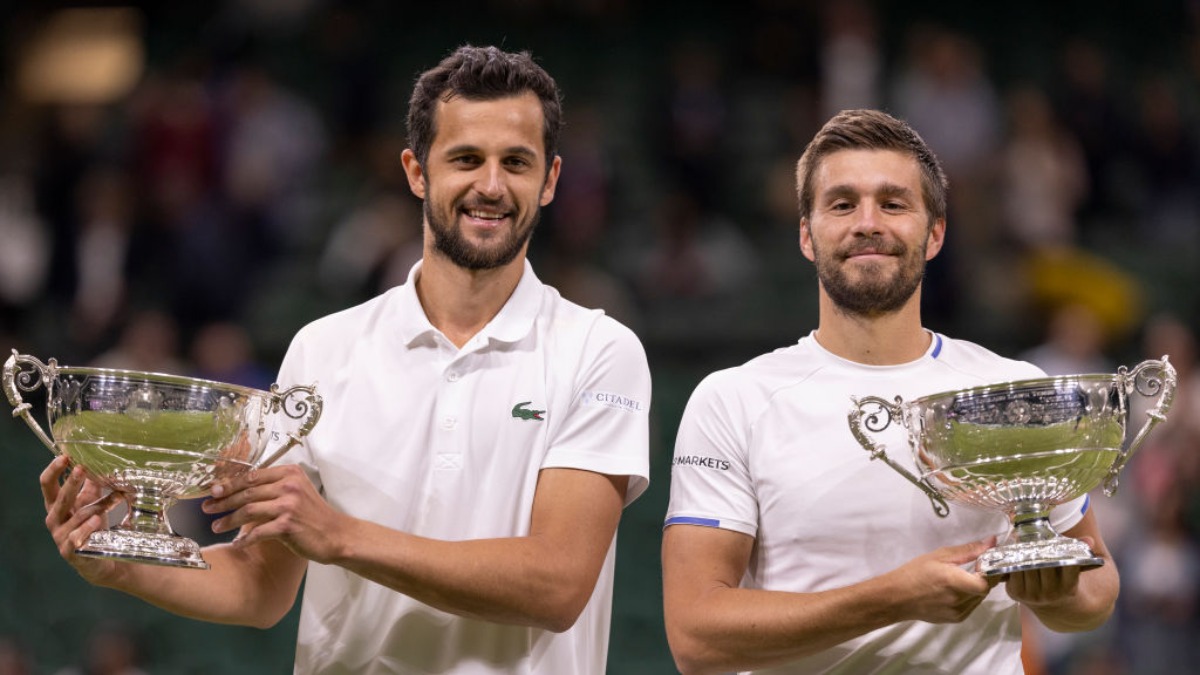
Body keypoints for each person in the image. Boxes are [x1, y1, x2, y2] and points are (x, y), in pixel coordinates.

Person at [40, 45, 651, 675]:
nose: (491, 186)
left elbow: (556, 585)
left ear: (549, 181)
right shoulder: (321, 349)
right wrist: (116, 563)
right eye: (465, 158)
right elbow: (260, 589)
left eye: (515, 163)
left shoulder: (599, 351)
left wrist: (339, 536)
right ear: (417, 171)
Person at [661, 109, 1119, 675]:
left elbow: (1097, 595)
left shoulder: (1013, 389)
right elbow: (695, 636)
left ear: (935, 233)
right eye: (842, 203)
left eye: (894, 203)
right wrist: (892, 598)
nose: (868, 223)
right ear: (807, 234)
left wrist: (1057, 593)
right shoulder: (734, 400)